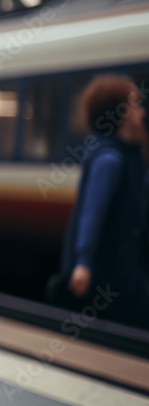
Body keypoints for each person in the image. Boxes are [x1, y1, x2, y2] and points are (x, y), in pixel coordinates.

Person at [50, 74, 149, 329]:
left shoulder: (128, 155)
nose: (140, 111)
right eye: (134, 104)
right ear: (122, 112)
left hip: (124, 264)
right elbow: (90, 214)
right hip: (111, 269)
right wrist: (83, 262)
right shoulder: (110, 159)